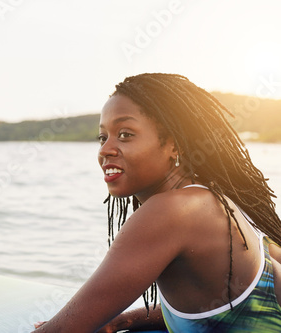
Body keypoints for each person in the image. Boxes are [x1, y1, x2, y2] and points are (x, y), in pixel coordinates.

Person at [32, 73, 281, 332]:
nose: (106, 149)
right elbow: (216, 310)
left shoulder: (172, 211)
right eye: (103, 137)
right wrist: (122, 319)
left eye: (125, 134)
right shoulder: (213, 200)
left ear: (174, 144)